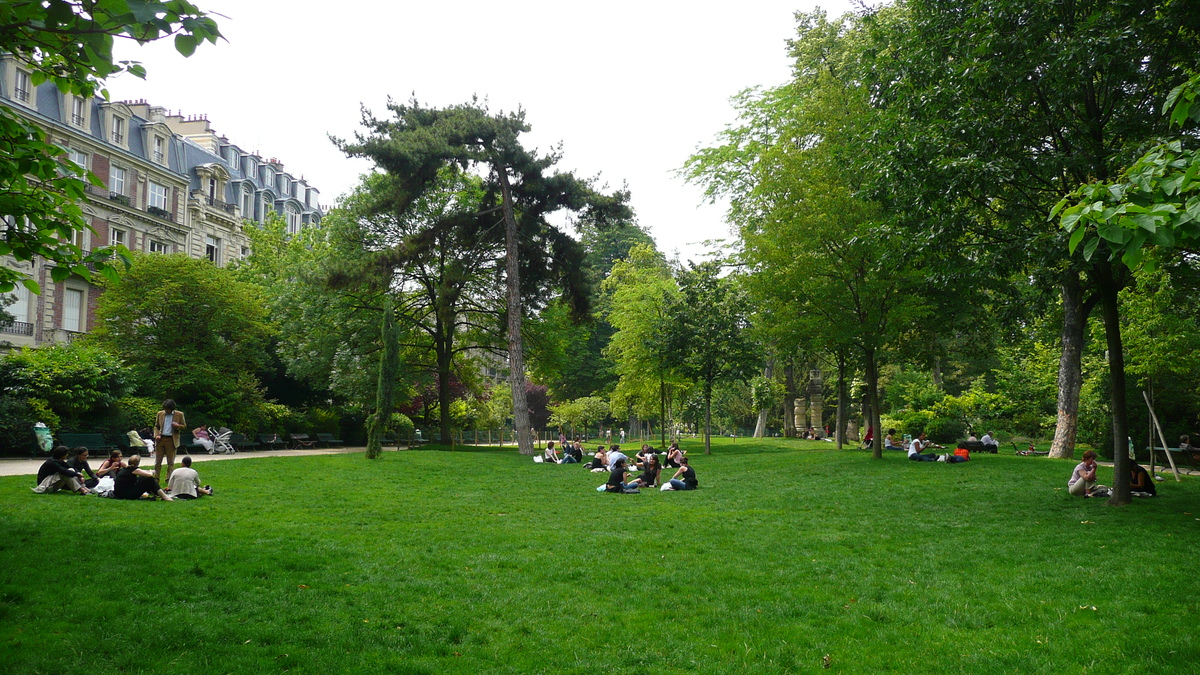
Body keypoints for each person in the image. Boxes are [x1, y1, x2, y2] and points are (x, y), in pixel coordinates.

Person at [153, 399, 186, 484]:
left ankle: (169, 479)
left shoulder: (179, 414)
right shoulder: (160, 414)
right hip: (160, 439)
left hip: (171, 439)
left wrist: (178, 426)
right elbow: (156, 426)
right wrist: (156, 435)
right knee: (158, 461)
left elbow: (184, 426)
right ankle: (156, 478)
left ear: (171, 408)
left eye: (167, 409)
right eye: (165, 409)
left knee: (170, 462)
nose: (166, 410)